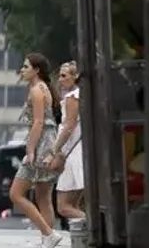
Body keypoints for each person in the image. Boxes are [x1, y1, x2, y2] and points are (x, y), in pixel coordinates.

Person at [10, 52, 63, 248]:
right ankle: (48, 238)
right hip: (49, 141)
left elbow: (38, 122)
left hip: (41, 143)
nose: (22, 70)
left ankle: (48, 233)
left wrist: (30, 150)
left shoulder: (36, 90)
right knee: (43, 195)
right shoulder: (44, 88)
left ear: (36, 70)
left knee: (16, 194)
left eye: (26, 67)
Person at [47, 61, 84, 224]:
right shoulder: (82, 95)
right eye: (59, 76)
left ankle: (96, 225)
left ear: (75, 77)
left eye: (64, 76)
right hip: (79, 152)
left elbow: (69, 125)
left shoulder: (72, 97)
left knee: (63, 207)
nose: (60, 80)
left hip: (73, 155)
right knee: (74, 204)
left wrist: (54, 150)